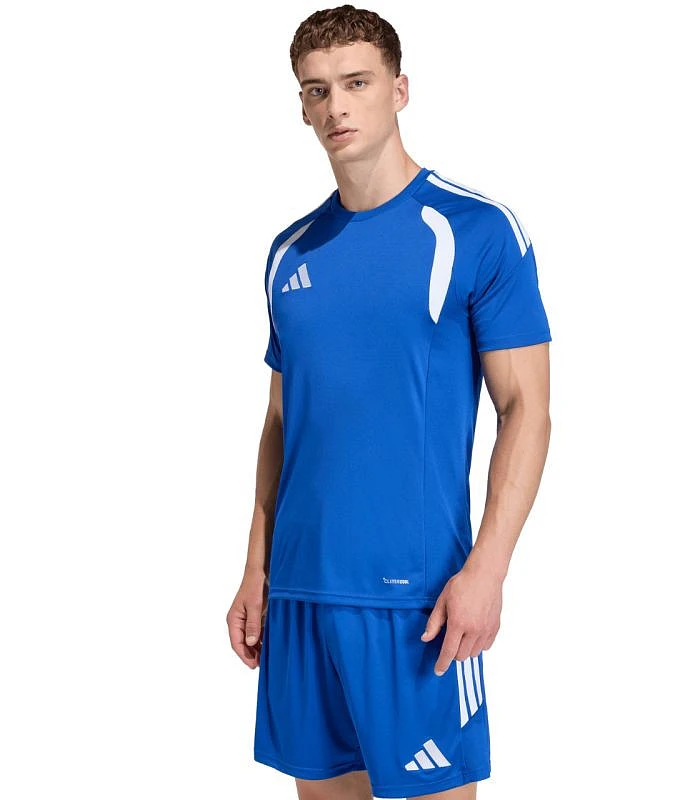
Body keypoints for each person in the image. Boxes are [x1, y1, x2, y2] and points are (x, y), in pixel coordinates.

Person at [226, 5, 552, 799]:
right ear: (302, 106)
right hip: (301, 593)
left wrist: (489, 569)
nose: (335, 106)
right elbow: (282, 421)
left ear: (399, 90)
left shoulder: (474, 231)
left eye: (357, 83)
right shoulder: (289, 253)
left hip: (418, 599)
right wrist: (256, 566)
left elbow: (526, 410)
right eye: (316, 90)